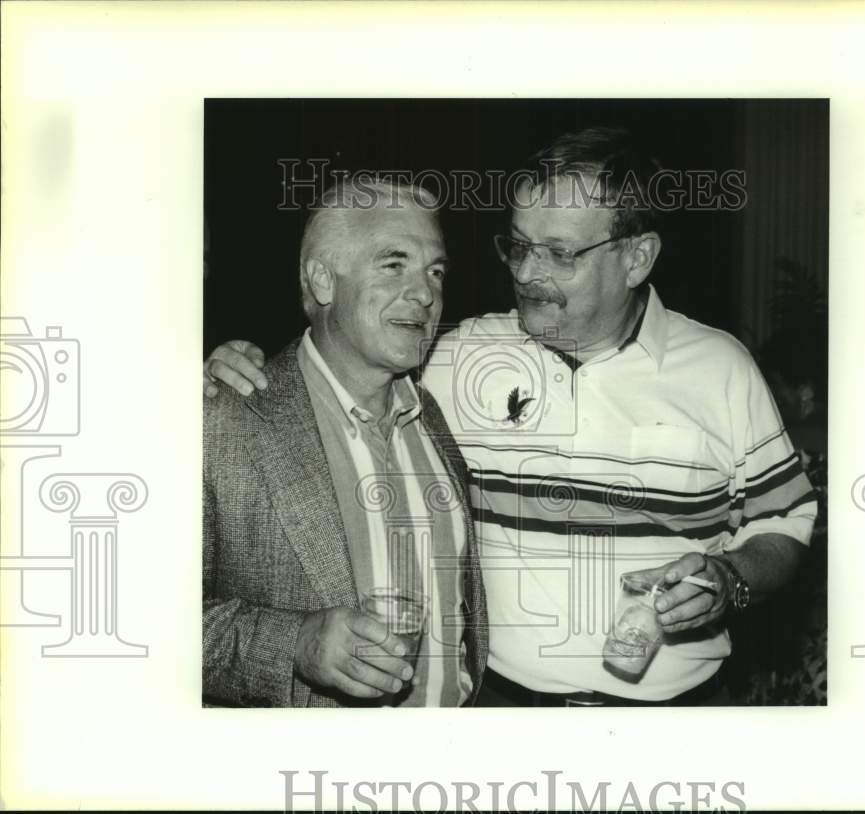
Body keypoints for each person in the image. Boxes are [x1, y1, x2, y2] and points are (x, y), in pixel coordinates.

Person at [205, 126, 817, 707]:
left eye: (559, 253)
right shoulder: (456, 355)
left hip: (679, 718)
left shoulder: (720, 367)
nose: (527, 273)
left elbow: (786, 522)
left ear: (637, 258)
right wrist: (220, 370)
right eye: (520, 246)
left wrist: (728, 575)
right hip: (499, 712)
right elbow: (338, 356)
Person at [202, 177, 487, 707]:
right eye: (393, 263)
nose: (426, 293)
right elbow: (150, 626)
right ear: (323, 281)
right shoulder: (220, 421)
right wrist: (295, 644)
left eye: (436, 271)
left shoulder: (435, 419)